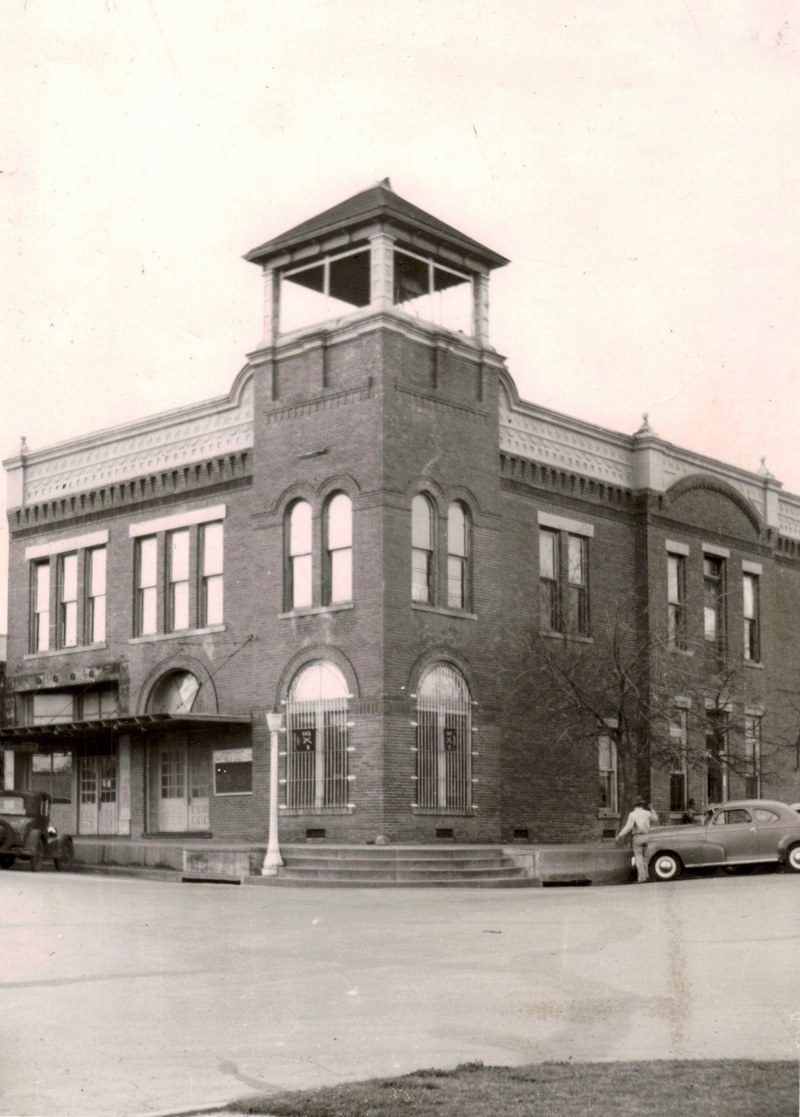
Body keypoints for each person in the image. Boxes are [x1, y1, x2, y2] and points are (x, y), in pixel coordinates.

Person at [616, 796, 660, 883]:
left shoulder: (633, 814)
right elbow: (656, 819)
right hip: (646, 836)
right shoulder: (647, 813)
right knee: (645, 857)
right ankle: (646, 875)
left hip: (638, 836)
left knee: (638, 857)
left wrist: (620, 835)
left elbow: (628, 827)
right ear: (642, 805)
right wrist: (652, 809)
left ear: (634, 805)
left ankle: (641, 878)